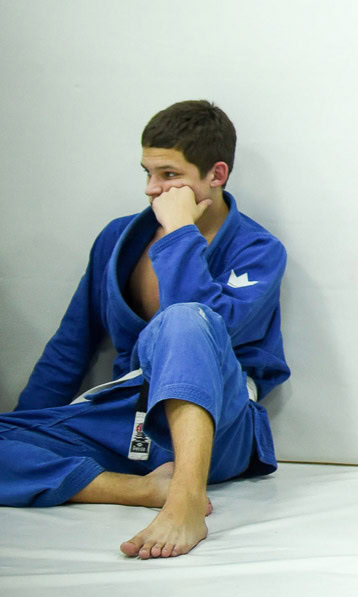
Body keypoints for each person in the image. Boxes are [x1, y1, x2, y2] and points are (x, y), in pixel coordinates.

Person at [1, 100, 288, 559]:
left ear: (216, 174)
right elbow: (71, 345)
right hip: (129, 421)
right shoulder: (118, 238)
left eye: (170, 175)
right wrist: (28, 429)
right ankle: (141, 490)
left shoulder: (258, 250)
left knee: (185, 317)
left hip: (219, 427)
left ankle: (185, 500)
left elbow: (209, 326)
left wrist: (179, 233)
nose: (153, 190)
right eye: (148, 173)